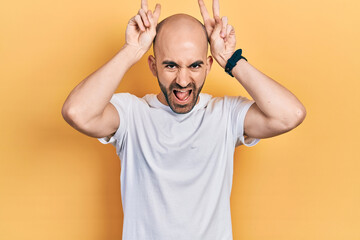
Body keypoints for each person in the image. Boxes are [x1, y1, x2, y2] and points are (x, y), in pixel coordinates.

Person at [62, 0, 306, 239]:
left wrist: (231, 59)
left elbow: (289, 115)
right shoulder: (132, 115)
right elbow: (77, 112)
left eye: (195, 65)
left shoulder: (224, 115)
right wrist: (131, 51)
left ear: (209, 65)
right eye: (170, 66)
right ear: (153, 66)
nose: (182, 80)